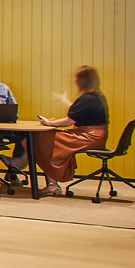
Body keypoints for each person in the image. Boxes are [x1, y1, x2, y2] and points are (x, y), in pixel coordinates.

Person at [33, 65, 109, 195]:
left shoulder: (87, 98)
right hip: (95, 136)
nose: (75, 80)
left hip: (88, 137)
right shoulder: (95, 97)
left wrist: (49, 123)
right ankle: (24, 164)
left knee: (42, 138)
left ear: (83, 80)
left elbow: (69, 121)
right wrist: (65, 101)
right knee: (45, 137)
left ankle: (48, 181)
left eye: (77, 78)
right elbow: (78, 113)